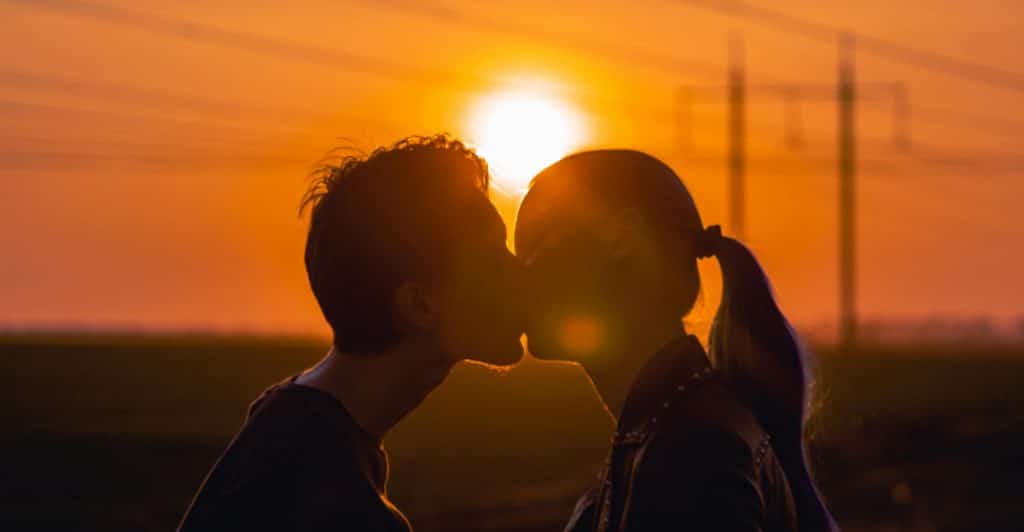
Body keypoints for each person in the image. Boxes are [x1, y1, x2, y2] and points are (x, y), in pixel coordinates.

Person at [178, 135, 525, 531]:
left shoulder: (291, 425)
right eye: (494, 259)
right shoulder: (341, 505)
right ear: (420, 306)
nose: (521, 274)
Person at [515, 150, 838, 531]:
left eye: (534, 246)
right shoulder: (673, 431)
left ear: (623, 238)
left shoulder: (688, 452)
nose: (519, 275)